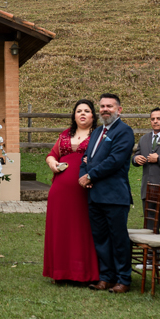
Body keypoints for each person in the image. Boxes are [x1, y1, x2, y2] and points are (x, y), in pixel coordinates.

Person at [79, 93, 134, 293]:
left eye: (109, 106)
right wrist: (83, 176)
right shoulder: (96, 132)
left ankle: (124, 280)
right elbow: (86, 157)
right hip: (95, 195)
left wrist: (91, 176)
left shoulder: (124, 132)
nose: (105, 109)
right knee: (101, 239)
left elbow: (114, 161)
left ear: (119, 109)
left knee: (118, 240)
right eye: (102, 106)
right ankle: (106, 277)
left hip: (114, 196)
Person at [43, 99, 99, 284]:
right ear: (74, 115)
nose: (82, 114)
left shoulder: (98, 136)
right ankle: (60, 272)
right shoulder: (65, 135)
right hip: (60, 191)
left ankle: (83, 273)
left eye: (87, 111)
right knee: (61, 229)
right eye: (79, 111)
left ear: (93, 115)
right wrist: (53, 164)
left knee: (81, 230)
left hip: (83, 191)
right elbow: (52, 154)